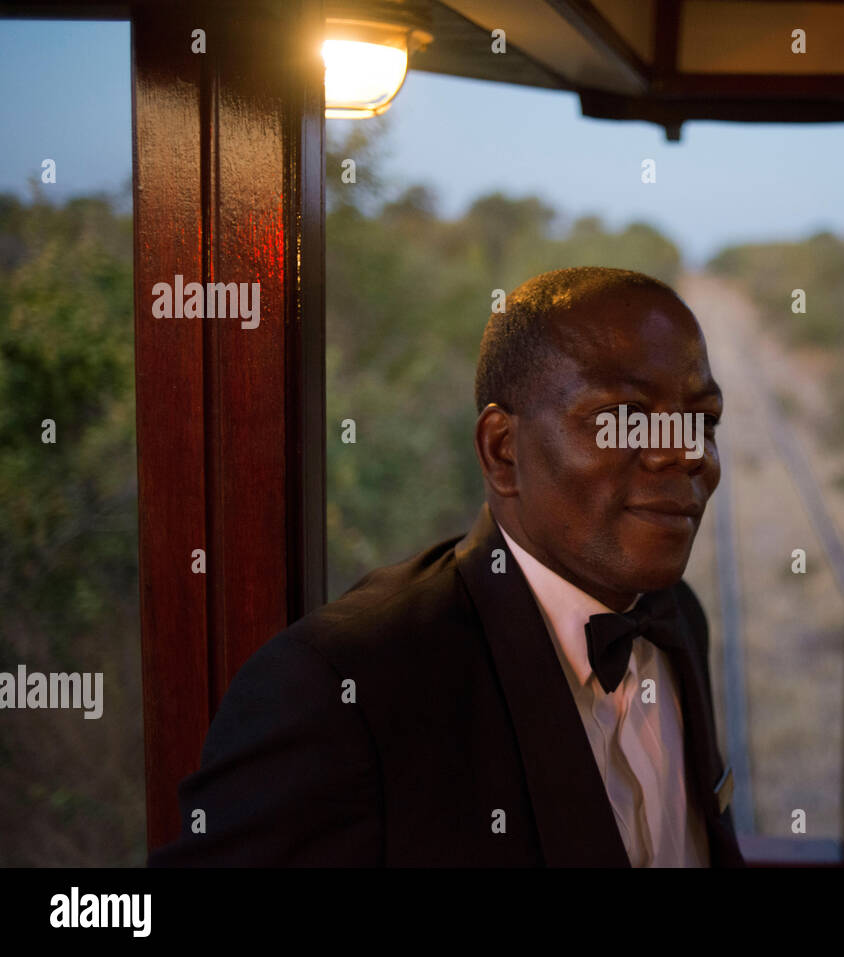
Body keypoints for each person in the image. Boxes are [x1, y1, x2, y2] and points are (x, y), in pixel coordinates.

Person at [147, 266, 744, 867]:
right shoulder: (336, 687)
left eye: (705, 419)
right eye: (625, 417)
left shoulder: (676, 618)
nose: (685, 450)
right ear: (502, 451)